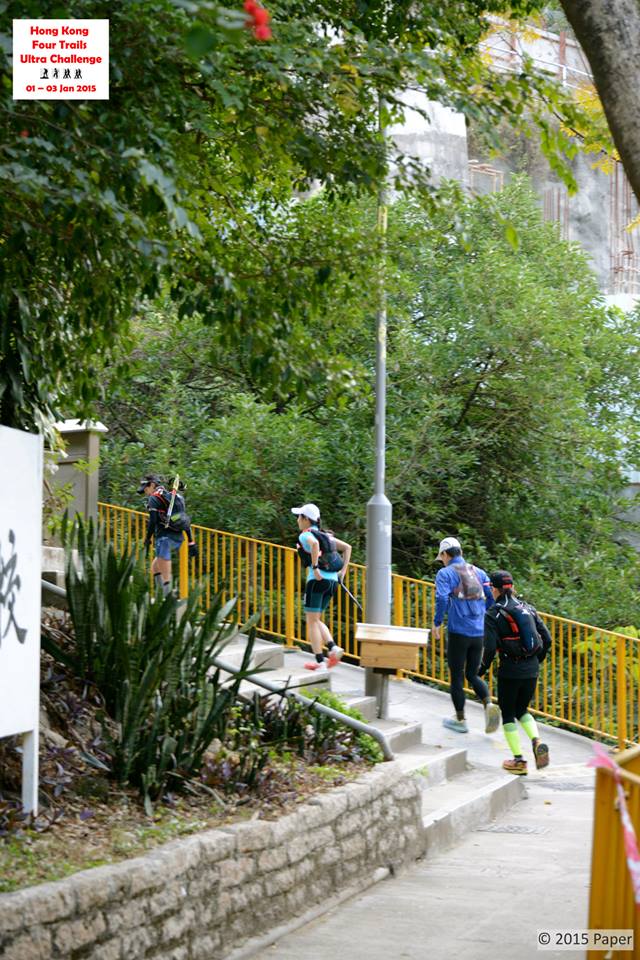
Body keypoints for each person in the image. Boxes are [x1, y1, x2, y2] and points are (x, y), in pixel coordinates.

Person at [479, 570, 552, 775]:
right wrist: (536, 660)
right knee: (522, 709)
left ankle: (519, 761)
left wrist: (481, 669)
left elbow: (490, 648)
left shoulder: (493, 614)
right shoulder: (528, 608)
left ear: (493, 589)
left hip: (510, 670)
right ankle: (536, 741)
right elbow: (547, 639)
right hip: (531, 669)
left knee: (509, 713)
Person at [432, 536, 501, 734]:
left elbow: (442, 598)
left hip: (458, 631)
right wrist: (483, 615)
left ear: (445, 554)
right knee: (472, 674)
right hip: (478, 632)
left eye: (442, 558)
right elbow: (491, 597)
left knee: (456, 676)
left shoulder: (445, 573)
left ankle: (461, 720)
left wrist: (437, 623)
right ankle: (488, 704)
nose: (442, 561)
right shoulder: (479, 572)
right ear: (461, 552)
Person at [291, 503, 352, 676]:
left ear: (305, 519)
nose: (297, 520)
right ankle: (333, 647)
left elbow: (315, 544)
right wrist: (342, 572)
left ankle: (320, 662)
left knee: (311, 621)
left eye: (299, 517)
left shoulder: (306, 535)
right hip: (332, 582)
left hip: (317, 581)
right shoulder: (327, 535)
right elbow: (347, 548)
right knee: (316, 619)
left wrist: (316, 568)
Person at [139, 474, 198, 596]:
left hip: (164, 538)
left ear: (152, 485)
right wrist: (191, 542)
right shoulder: (173, 497)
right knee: (155, 567)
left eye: (146, 488)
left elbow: (153, 521)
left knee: (165, 570)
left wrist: (147, 539)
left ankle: (168, 596)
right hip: (178, 538)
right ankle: (161, 594)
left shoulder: (154, 498)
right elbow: (184, 519)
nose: (145, 492)